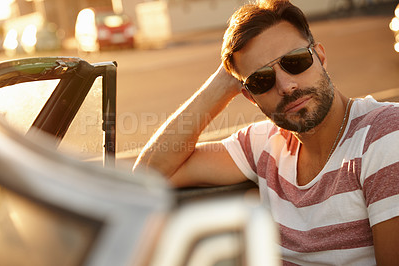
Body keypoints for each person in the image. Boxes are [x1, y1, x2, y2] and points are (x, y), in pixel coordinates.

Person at [133, 0, 399, 264]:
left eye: (295, 61)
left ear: (320, 56)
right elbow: (148, 175)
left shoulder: (383, 135)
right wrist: (224, 81)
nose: (285, 86)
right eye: (262, 80)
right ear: (249, 97)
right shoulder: (265, 143)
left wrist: (253, 70)